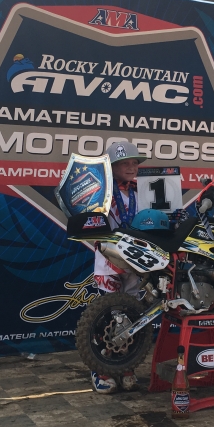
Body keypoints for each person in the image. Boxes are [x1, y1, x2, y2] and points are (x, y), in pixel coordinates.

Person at [90, 141, 147, 394]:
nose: (132, 167)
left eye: (135, 163)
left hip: (137, 260)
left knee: (132, 314)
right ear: (111, 167)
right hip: (109, 260)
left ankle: (126, 367)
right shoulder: (100, 191)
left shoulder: (142, 191)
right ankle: (100, 370)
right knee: (107, 315)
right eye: (125, 163)